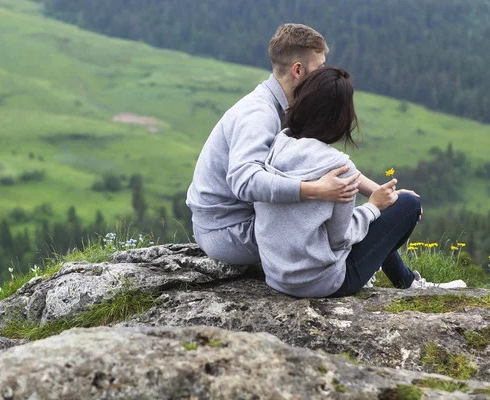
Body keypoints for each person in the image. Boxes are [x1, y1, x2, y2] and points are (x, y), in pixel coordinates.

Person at [254, 66, 466, 298]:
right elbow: (341, 239)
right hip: (321, 282)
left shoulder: (279, 143)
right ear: (340, 117)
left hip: (277, 275)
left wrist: (378, 203)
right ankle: (401, 282)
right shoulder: (338, 168)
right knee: (408, 204)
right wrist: (373, 207)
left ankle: (406, 281)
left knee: (380, 213)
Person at [187, 23, 382, 265]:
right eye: (319, 68)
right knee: (335, 234)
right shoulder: (260, 114)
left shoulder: (285, 107)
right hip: (228, 232)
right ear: (298, 70)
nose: (324, 74)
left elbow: (324, 160)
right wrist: (314, 190)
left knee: (345, 221)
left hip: (237, 223)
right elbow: (244, 181)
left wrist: (379, 192)